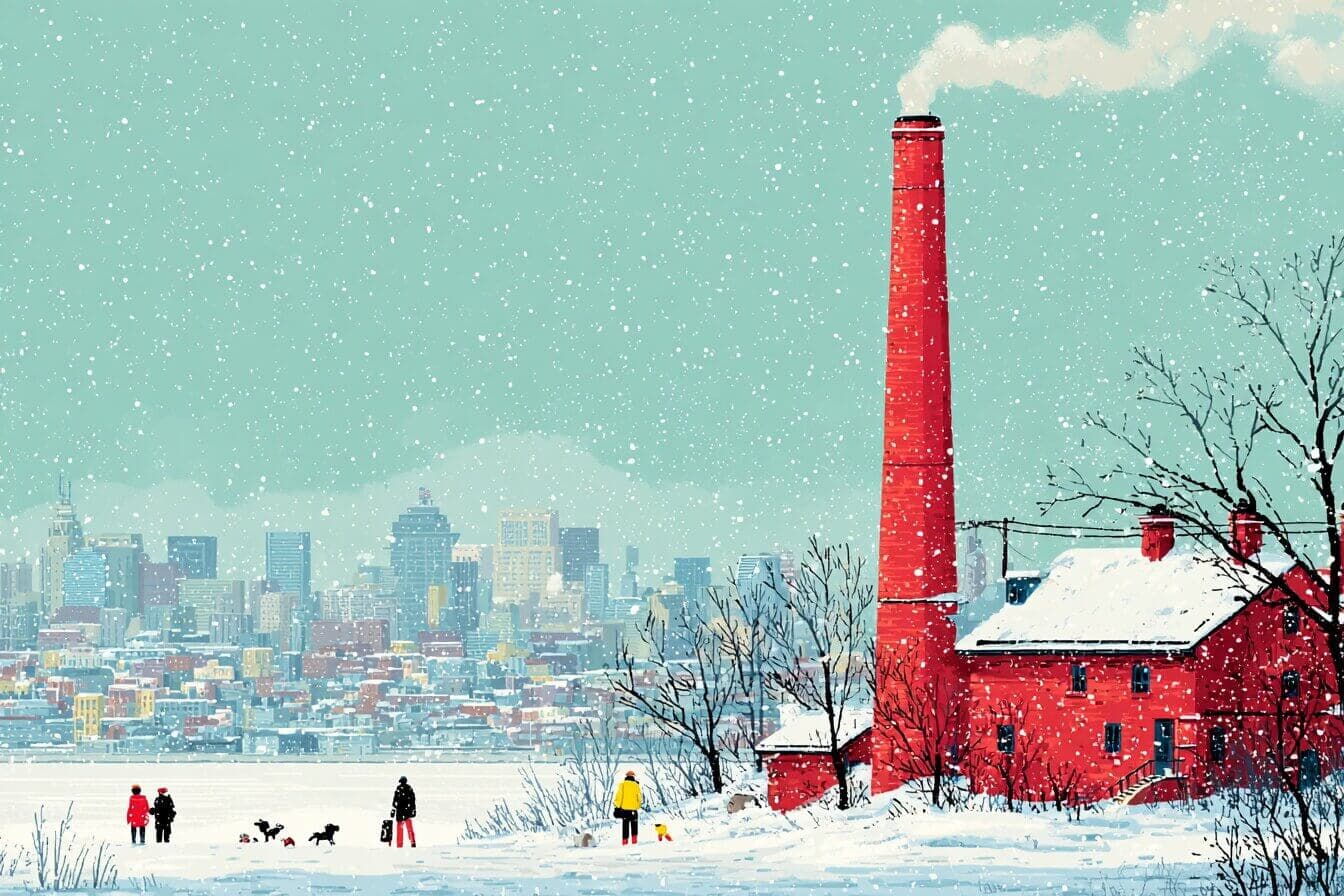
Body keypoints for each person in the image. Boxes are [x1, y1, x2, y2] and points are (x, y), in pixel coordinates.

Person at [613, 770, 641, 846]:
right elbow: (639, 798)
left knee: (625, 825)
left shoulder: (622, 784)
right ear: (633, 776)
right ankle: (634, 841)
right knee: (634, 824)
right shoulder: (636, 785)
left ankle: (625, 842)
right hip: (633, 810)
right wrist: (637, 806)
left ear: (626, 776)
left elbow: (619, 796)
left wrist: (617, 805)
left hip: (624, 809)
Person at [391, 776, 416, 848]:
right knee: (409, 828)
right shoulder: (409, 788)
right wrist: (413, 810)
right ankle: (412, 842)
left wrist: (393, 810)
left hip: (400, 811)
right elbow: (413, 801)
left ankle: (399, 845)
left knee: (400, 830)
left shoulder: (398, 789)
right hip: (407, 811)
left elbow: (395, 801)